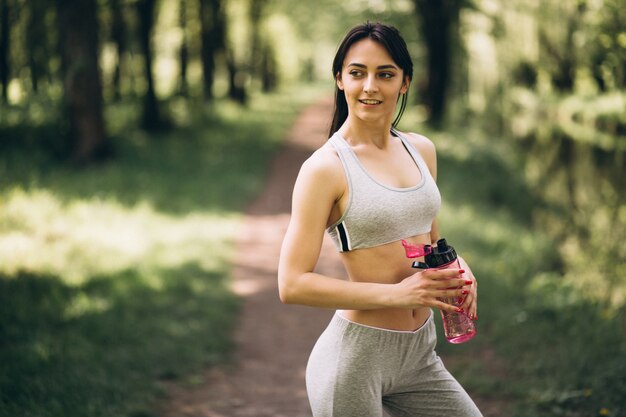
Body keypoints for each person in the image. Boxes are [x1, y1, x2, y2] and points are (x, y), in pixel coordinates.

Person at [277, 22, 483, 417]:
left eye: (385, 74)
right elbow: (291, 283)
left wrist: (460, 268)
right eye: (357, 73)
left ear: (404, 82)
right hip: (355, 361)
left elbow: (431, 240)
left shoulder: (421, 149)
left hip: (420, 354)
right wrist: (398, 295)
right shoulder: (325, 168)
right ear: (340, 79)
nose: (370, 86)